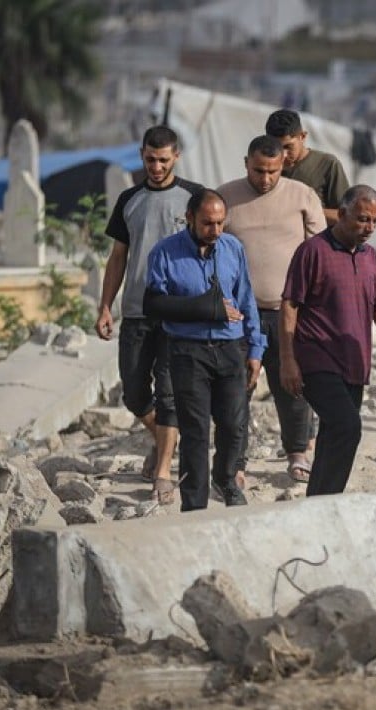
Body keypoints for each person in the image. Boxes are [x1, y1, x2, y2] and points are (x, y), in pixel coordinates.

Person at [279, 185, 376, 496]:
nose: (369, 228)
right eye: (362, 219)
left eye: (374, 221)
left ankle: (319, 501)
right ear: (341, 215)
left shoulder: (370, 257)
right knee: (348, 427)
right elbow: (289, 305)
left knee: (333, 434)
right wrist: (288, 360)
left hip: (353, 363)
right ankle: (330, 500)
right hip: (316, 358)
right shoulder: (313, 251)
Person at [95, 125, 203, 504]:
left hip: (179, 314)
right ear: (141, 155)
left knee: (169, 393)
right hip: (137, 311)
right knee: (134, 392)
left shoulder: (194, 198)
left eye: (163, 159)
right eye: (150, 159)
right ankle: (165, 439)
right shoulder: (129, 199)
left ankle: (163, 470)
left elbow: (210, 249)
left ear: (176, 157)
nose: (156, 166)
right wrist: (106, 305)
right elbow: (118, 257)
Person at [144, 189, 263, 511]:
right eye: (208, 223)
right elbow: (154, 304)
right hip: (188, 352)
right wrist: (205, 308)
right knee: (195, 432)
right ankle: (194, 505)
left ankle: (225, 478)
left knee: (234, 424)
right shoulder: (165, 253)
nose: (216, 231)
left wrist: (256, 349)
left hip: (230, 350)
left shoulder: (232, 248)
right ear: (190, 218)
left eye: (221, 223)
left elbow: (246, 300)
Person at [218, 135, 326, 484]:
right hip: (238, 315)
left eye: (273, 171)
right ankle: (234, 462)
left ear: (284, 165)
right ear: (245, 162)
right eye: (258, 170)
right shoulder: (225, 197)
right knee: (236, 389)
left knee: (293, 385)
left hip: (289, 311)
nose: (265, 179)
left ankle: (297, 453)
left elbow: (319, 253)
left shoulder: (302, 196)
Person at [266, 109, 350, 225]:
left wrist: (305, 210)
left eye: (288, 147)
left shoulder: (327, 164)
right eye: (276, 147)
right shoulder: (265, 167)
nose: (283, 154)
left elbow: (346, 216)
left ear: (303, 136)